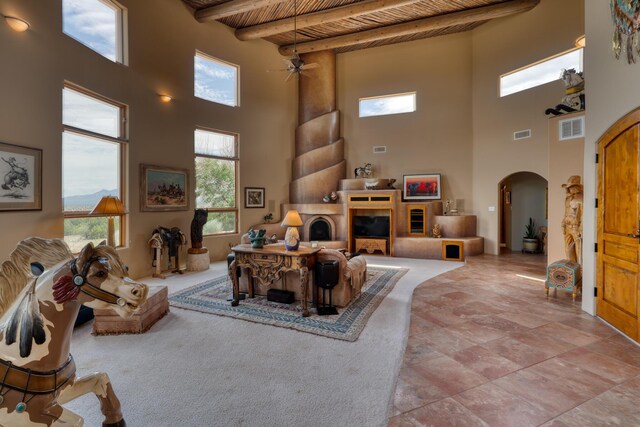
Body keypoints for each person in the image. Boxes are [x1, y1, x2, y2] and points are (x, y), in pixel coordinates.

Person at [561, 176, 583, 263]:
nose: (569, 189)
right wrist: (563, 224)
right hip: (567, 227)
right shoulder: (568, 199)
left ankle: (580, 267)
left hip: (575, 227)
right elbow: (566, 212)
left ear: (576, 187)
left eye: (570, 187)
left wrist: (581, 227)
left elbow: (583, 214)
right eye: (568, 188)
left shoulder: (581, 199)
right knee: (567, 248)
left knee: (578, 248)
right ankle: (570, 266)